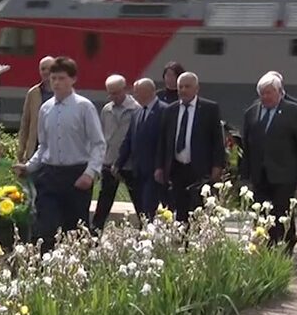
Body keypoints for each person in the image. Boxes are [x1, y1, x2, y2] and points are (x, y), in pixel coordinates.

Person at [13, 56, 105, 252]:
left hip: (76, 175)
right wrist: (28, 166)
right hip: (50, 175)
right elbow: (43, 146)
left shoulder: (84, 107)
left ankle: (76, 275)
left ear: (73, 79)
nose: (56, 83)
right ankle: (44, 272)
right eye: (53, 78)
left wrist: (90, 173)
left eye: (61, 78)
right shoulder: (45, 110)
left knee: (75, 232)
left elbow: (98, 144)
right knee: (44, 229)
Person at [239, 72, 297, 254]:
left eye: (269, 93)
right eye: (262, 93)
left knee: (282, 213)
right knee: (261, 214)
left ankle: (284, 247)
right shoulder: (251, 113)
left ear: (279, 92)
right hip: (259, 174)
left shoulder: (294, 112)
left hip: (284, 174)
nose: (265, 97)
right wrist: (244, 174)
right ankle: (266, 249)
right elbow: (246, 146)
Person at [156, 72, 225, 223]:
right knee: (178, 211)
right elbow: (163, 141)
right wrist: (160, 167)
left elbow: (217, 141)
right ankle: (180, 242)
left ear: (196, 88)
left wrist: (217, 166)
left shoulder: (209, 109)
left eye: (187, 86)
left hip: (199, 169)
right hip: (176, 168)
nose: (183, 90)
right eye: (180, 87)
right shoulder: (170, 110)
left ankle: (195, 242)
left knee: (197, 210)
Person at [92, 74, 140, 233]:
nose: (113, 96)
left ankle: (146, 230)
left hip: (129, 164)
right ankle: (95, 232)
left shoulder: (136, 109)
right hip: (109, 161)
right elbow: (103, 135)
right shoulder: (107, 110)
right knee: (104, 201)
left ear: (125, 90)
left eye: (116, 92)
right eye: (110, 93)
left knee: (138, 201)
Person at [115, 78, 169, 220]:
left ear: (148, 92)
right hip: (137, 170)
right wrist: (118, 163)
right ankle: (144, 233)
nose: (134, 95)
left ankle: (148, 235)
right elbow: (129, 140)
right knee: (140, 208)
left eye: (137, 92)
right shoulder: (137, 112)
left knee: (149, 207)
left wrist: (160, 166)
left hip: (154, 170)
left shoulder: (164, 111)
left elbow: (164, 142)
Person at [17, 55, 55, 163]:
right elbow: (25, 123)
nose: (46, 72)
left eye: (50, 68)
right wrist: (21, 149)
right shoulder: (33, 93)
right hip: (35, 149)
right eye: (43, 69)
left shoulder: (63, 93)